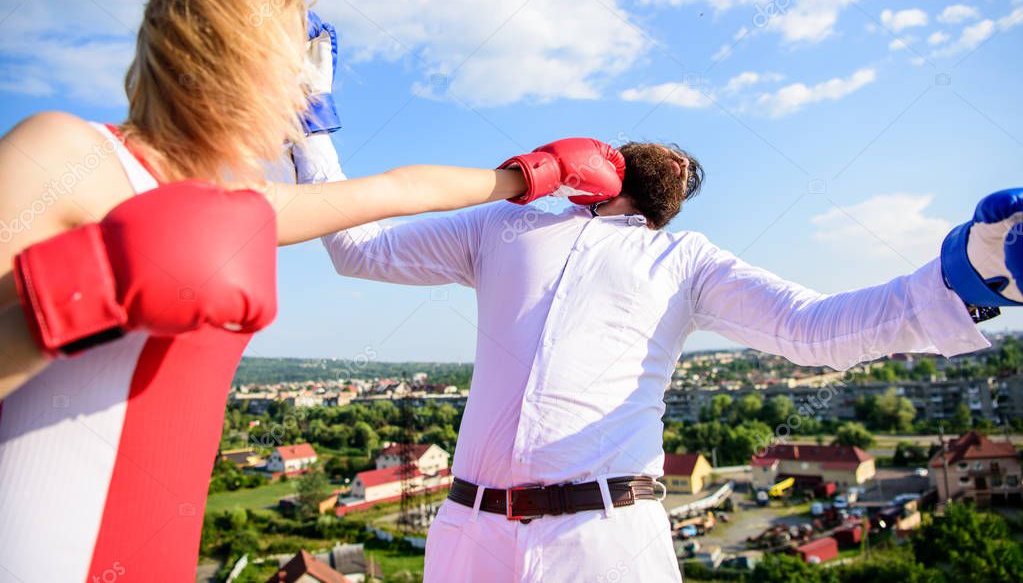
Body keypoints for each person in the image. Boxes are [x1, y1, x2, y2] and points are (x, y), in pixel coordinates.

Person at [0, 0, 624, 582]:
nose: (306, 90)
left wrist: (531, 175)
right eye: (296, 67)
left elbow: (397, 191)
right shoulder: (66, 153)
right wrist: (85, 293)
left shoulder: (240, 211)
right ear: (234, 58)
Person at [293, 128, 1021, 581]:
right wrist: (312, 123)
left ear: (673, 201)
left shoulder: (683, 260)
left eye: (689, 168)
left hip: (604, 541)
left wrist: (963, 277)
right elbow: (355, 246)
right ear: (598, 166)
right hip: (465, 534)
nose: (679, 157)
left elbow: (813, 328)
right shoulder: (498, 229)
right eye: (666, 147)